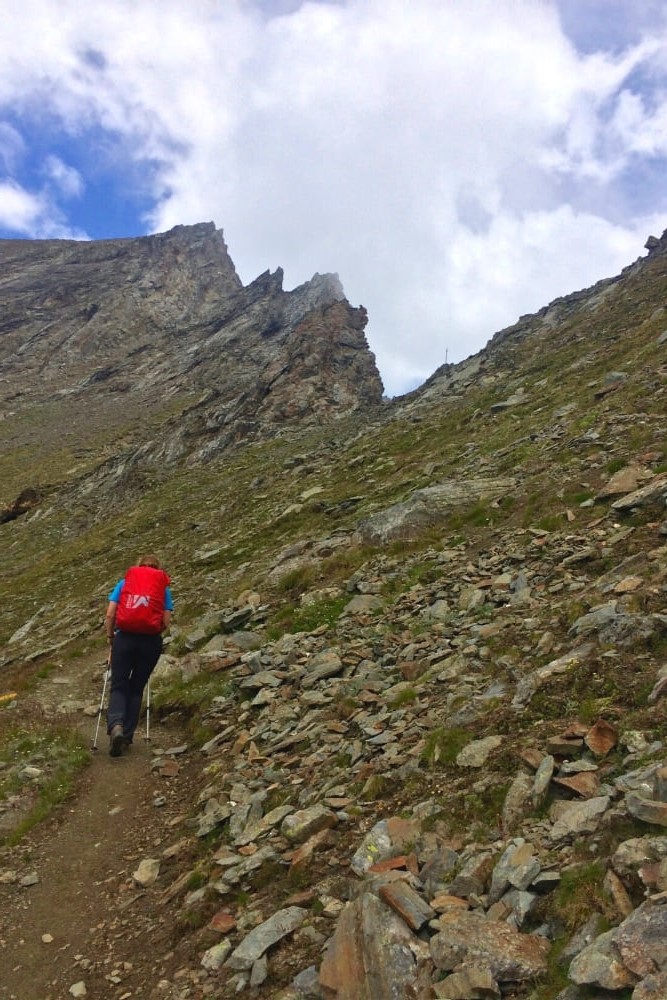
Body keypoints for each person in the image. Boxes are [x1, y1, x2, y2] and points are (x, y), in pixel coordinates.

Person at [104, 554, 173, 757]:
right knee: (136, 688)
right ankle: (126, 736)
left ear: (138, 566)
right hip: (150, 641)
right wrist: (153, 633)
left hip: (124, 638)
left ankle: (115, 725)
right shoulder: (163, 588)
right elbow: (166, 619)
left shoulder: (125, 583)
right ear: (157, 569)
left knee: (119, 685)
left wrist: (111, 636)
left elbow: (110, 613)